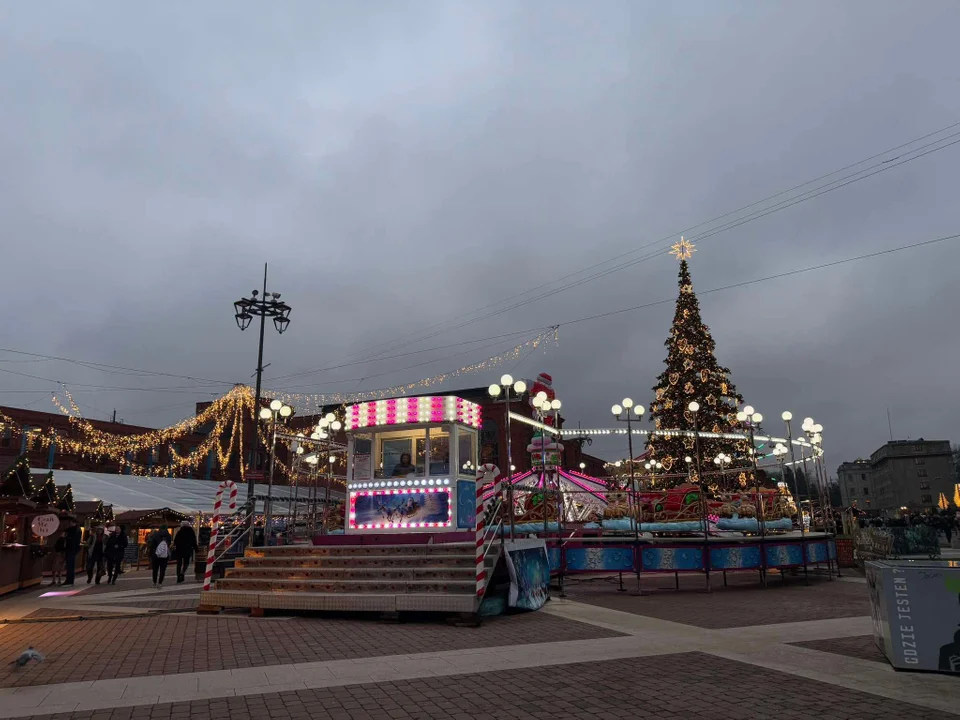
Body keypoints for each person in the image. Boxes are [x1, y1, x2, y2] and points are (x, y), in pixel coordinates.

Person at [146, 524, 172, 589]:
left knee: (155, 570)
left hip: (156, 555)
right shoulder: (168, 536)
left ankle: (154, 582)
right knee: (162, 570)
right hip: (164, 555)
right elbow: (169, 544)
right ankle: (160, 583)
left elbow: (152, 545)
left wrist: (151, 553)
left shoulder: (156, 535)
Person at [62, 518, 81, 586]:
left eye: (70, 523)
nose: (69, 524)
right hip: (74, 550)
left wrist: (65, 537)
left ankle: (69, 581)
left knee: (69, 566)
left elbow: (69, 537)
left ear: (73, 523)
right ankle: (70, 580)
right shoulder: (78, 530)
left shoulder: (72, 530)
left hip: (70, 549)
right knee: (71, 566)